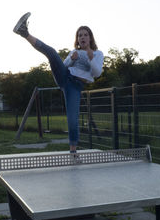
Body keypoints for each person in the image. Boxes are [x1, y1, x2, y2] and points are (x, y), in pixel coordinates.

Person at [13, 12, 104, 153]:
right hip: (64, 76)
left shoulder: (98, 54)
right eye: (80, 35)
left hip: (75, 86)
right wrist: (72, 59)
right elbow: (64, 65)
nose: (82, 37)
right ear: (77, 39)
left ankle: (73, 151)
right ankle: (24, 32)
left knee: (73, 119)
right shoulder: (74, 51)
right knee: (52, 53)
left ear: (90, 38)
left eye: (85, 35)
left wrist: (91, 58)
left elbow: (97, 73)